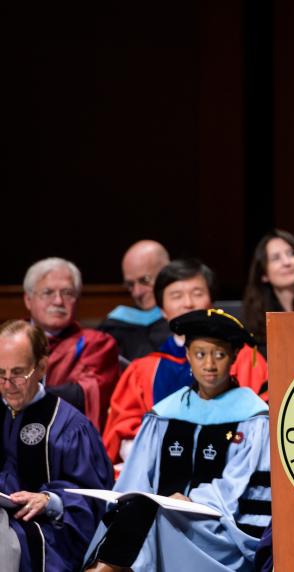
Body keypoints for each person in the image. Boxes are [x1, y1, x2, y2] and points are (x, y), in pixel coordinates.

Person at [83, 309, 271, 571]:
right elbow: (136, 478)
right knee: (136, 514)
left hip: (217, 527)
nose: (209, 365)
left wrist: (195, 501)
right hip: (155, 517)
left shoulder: (254, 418)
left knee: (145, 522)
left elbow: (246, 487)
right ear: (188, 356)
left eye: (219, 354)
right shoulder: (165, 413)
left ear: (233, 358)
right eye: (200, 354)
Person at [102, 259, 268, 466]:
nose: (188, 303)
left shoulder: (243, 359)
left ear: (212, 303)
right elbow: (123, 434)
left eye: (197, 293)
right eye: (176, 296)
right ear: (162, 309)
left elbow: (262, 422)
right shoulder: (144, 371)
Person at [0, 320, 114, 572]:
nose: (7, 385)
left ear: (41, 367)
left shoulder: (69, 426)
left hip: (47, 531)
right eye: (0, 374)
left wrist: (49, 500)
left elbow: (96, 498)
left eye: (18, 373)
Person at [22, 257, 120, 430]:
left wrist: (23, 396)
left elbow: (83, 395)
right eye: (47, 292)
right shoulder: (6, 342)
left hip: (68, 437)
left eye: (67, 293)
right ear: (28, 300)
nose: (58, 301)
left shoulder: (97, 343)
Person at [99, 240, 172, 362]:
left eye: (145, 280)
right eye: (130, 284)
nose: (137, 292)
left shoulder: (185, 319)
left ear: (166, 273)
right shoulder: (115, 326)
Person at [242, 230, 294, 357]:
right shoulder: (255, 323)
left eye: (292, 254)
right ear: (264, 274)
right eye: (276, 258)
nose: (287, 263)